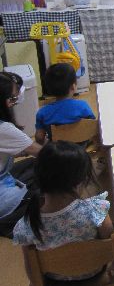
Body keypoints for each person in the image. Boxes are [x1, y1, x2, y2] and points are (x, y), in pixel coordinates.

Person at [13, 141, 114, 282]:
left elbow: (31, 268)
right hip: (94, 275)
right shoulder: (96, 209)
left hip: (55, 282)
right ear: (80, 181)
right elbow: (112, 245)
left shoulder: (26, 226)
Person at [0, 72, 42, 238]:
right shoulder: (4, 129)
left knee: (32, 165)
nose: (14, 103)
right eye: (12, 99)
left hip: (3, 176)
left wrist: (22, 149)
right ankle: (10, 222)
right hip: (3, 195)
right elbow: (42, 153)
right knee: (46, 183)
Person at [35, 63, 95, 145]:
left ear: (49, 89)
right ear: (73, 87)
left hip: (57, 149)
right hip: (81, 147)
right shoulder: (82, 106)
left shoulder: (42, 113)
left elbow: (39, 137)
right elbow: (92, 126)